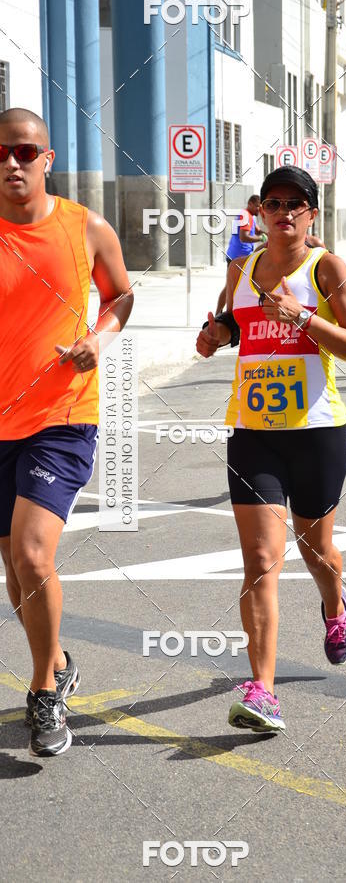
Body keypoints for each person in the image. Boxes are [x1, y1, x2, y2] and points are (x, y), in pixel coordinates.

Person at [195, 167, 346, 732]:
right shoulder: (243, 268)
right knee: (260, 561)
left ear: (312, 213)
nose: (284, 212)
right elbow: (233, 324)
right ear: (260, 212)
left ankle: (335, 606)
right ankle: (263, 690)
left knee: (316, 549)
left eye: (296, 204)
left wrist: (302, 315)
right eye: (274, 203)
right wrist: (215, 337)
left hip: (317, 432)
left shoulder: (326, 268)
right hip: (253, 433)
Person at [0, 108, 133, 756]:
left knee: (32, 553)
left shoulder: (85, 227)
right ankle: (58, 659)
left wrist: (98, 339)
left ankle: (45, 689)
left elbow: (122, 297)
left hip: (62, 415)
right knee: (14, 573)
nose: (11, 162)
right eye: (1, 152)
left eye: (25, 151)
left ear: (47, 159)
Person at [215, 195, 266, 313]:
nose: (260, 210)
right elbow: (244, 237)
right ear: (250, 204)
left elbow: (257, 230)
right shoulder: (245, 215)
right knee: (230, 286)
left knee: (242, 285)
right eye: (258, 207)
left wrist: (269, 234)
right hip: (236, 257)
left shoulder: (251, 216)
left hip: (244, 256)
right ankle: (220, 312)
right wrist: (260, 239)